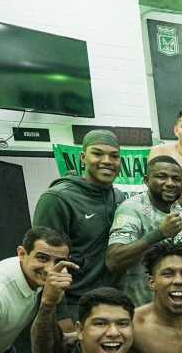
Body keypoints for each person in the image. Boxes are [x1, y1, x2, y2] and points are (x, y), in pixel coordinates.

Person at [33, 129, 121, 326]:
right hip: (74, 305)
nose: (107, 160)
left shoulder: (119, 198)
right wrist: (61, 315)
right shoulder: (57, 199)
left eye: (114, 156)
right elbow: (47, 263)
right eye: (97, 153)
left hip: (111, 302)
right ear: (83, 158)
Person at [106, 156, 182, 306]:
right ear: (146, 180)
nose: (170, 183)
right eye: (162, 176)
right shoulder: (132, 208)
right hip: (135, 308)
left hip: (169, 308)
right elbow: (113, 260)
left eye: (176, 179)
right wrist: (159, 234)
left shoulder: (180, 211)